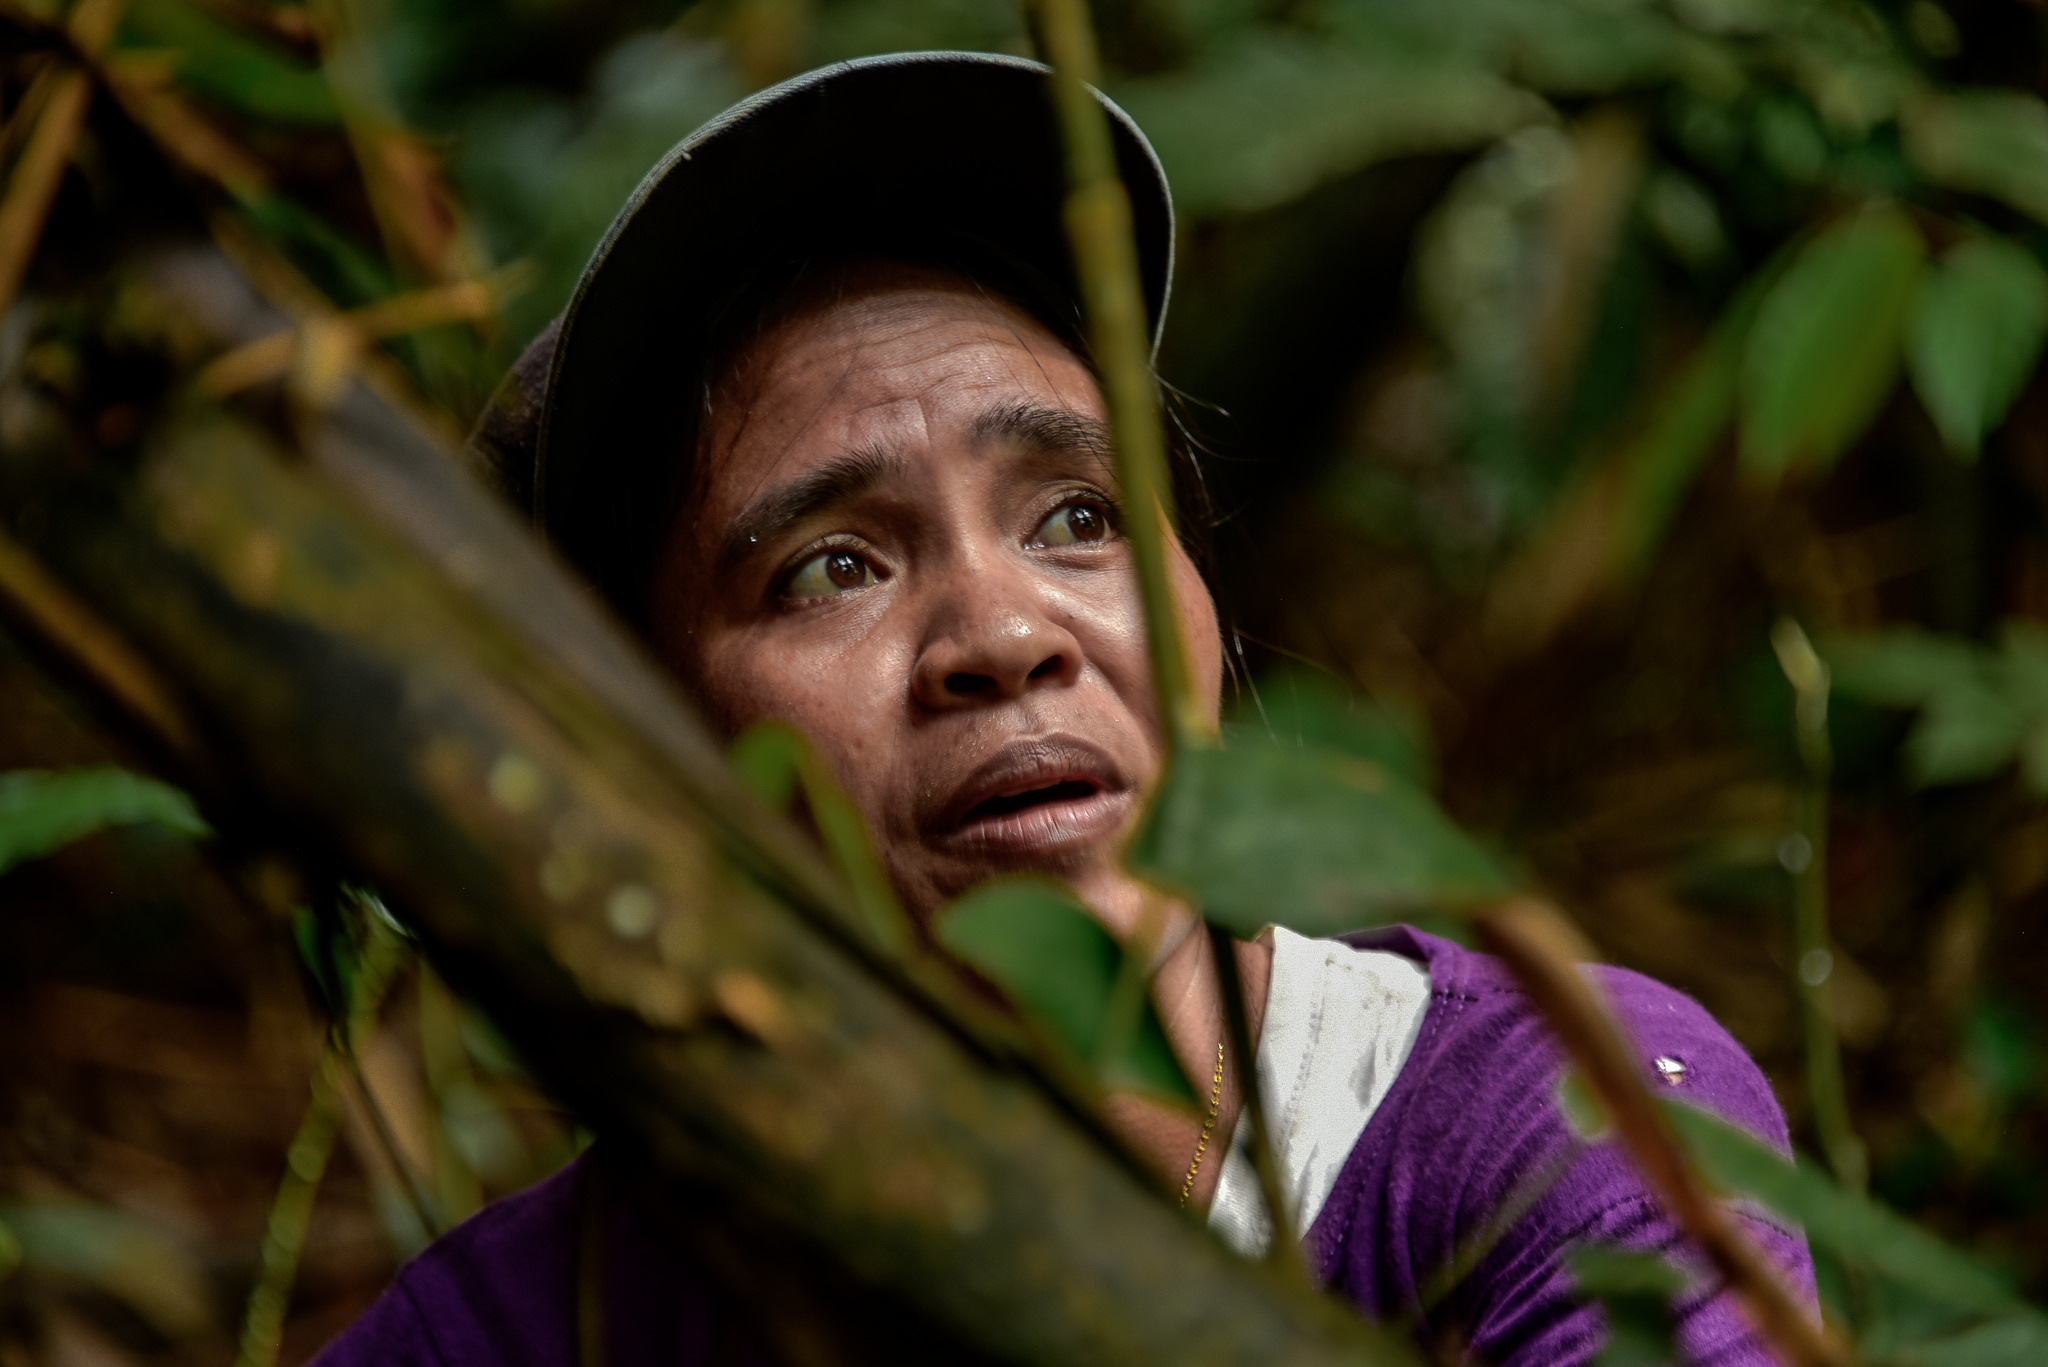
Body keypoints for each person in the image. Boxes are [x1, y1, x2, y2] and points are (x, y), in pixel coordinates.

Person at [313, 52, 1816, 1366]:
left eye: (1077, 517)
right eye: (831, 567)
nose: (1004, 633)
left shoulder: (1538, 1137)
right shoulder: (533, 1323)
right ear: (646, 752)